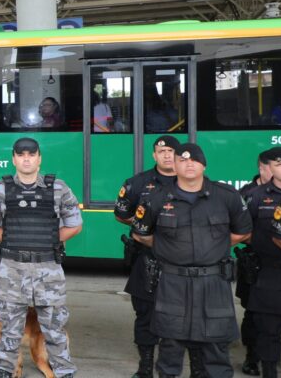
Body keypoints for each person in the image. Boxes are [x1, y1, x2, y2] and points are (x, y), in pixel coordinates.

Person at [132, 143, 251, 378]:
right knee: (170, 346)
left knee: (216, 347)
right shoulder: (156, 199)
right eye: (183, 160)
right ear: (174, 165)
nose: (189, 164)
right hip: (172, 282)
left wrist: (213, 247)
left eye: (194, 160)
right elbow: (141, 233)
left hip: (214, 282)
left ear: (203, 165)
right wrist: (170, 248)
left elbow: (243, 232)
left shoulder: (226, 196)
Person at [0, 137, 80, 378]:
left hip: (47, 268)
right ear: (14, 159)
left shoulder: (58, 188)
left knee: (54, 327)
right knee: (9, 328)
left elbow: (75, 224)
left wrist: (50, 240)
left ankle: (64, 371)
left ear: (39, 159)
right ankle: (6, 371)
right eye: (21, 155)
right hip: (12, 268)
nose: (26, 159)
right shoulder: (0, 189)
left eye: (31, 155)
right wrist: (13, 239)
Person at [114, 135, 184, 378]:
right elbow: (122, 212)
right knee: (145, 315)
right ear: (154, 155)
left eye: (171, 151)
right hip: (147, 259)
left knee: (180, 316)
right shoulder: (138, 183)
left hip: (182, 262)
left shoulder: (191, 181)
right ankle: (145, 367)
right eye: (161, 151)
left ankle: (169, 367)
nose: (166, 155)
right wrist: (145, 224)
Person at [246, 147, 281, 377]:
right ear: (269, 168)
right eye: (280, 164)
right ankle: (269, 372)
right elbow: (242, 230)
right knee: (268, 331)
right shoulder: (255, 196)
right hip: (269, 272)